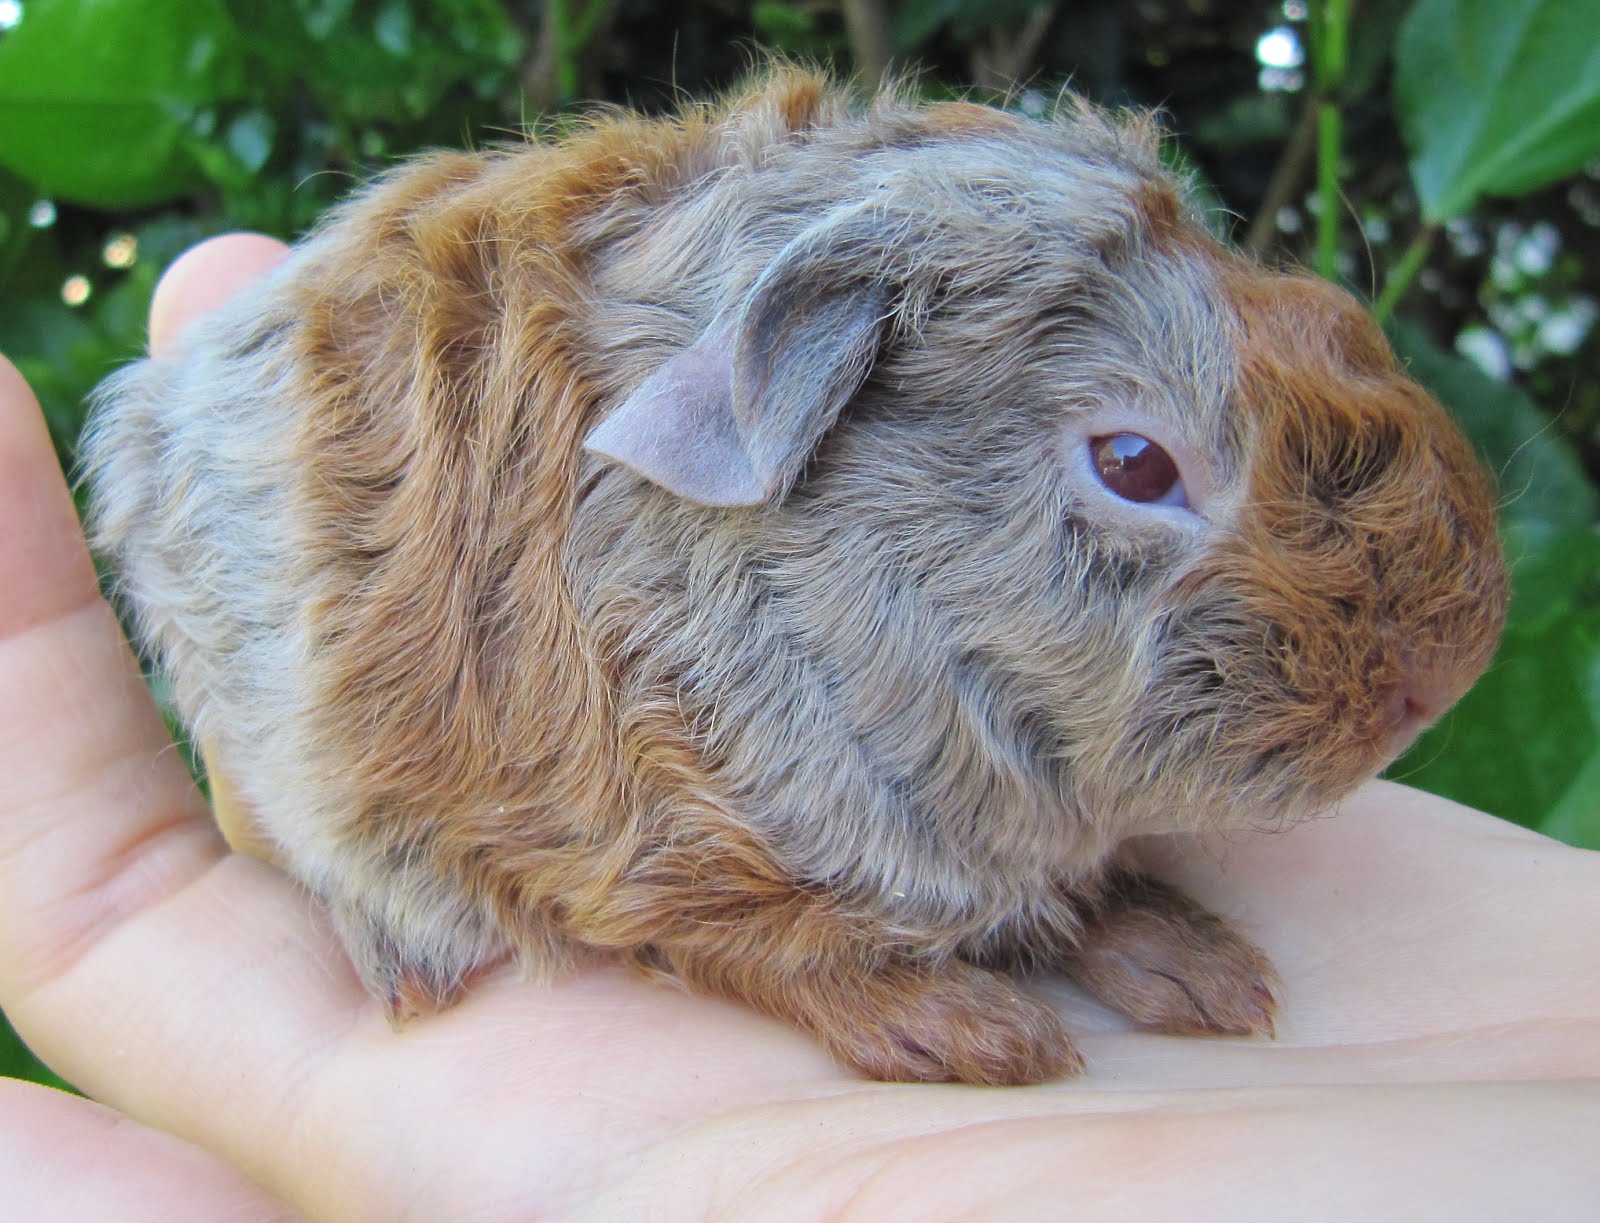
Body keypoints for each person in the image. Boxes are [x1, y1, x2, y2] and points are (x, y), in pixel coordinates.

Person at [0, 234, 1596, 1221]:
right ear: (795, 422)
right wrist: (830, 964)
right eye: (1136, 473)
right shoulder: (670, 667)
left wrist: (1080, 891)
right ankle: (345, 864)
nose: (1421, 667)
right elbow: (641, 845)